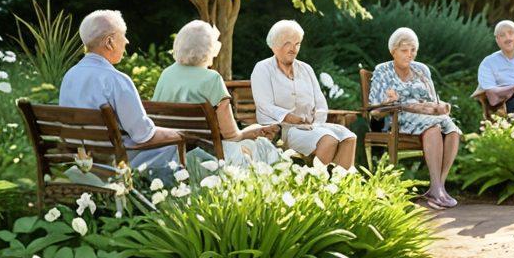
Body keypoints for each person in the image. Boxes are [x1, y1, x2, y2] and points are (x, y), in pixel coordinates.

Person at [59, 10, 214, 185]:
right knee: (180, 148)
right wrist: (180, 134)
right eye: (123, 36)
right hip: (117, 163)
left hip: (87, 160)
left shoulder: (69, 77)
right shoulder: (116, 80)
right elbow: (144, 136)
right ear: (109, 42)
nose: (126, 41)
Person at [152, 20, 283, 167]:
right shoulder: (212, 79)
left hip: (173, 159)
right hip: (210, 160)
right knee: (262, 145)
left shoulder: (166, 75)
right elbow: (232, 136)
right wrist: (254, 131)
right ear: (208, 49)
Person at [368, 27, 461, 209]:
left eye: (413, 50)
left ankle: (438, 186)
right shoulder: (383, 70)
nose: (409, 55)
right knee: (434, 127)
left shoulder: (422, 69)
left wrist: (441, 106)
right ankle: (436, 188)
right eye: (404, 50)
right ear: (393, 50)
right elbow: (373, 109)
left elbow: (433, 99)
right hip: (400, 117)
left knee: (453, 131)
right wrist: (388, 101)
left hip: (427, 113)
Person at [250, 20, 356, 168]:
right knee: (329, 139)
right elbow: (264, 105)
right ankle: (314, 185)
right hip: (282, 130)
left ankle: (339, 186)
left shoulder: (306, 69)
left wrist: (317, 122)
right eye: (288, 43)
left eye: (297, 43)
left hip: (311, 127)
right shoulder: (262, 69)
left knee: (349, 137)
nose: (293, 49)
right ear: (275, 45)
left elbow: (321, 104)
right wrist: (289, 117)